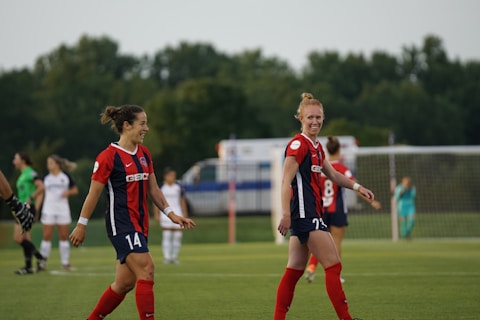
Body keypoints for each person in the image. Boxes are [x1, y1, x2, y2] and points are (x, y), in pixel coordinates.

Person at [69, 104, 196, 320]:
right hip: (121, 224)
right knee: (147, 268)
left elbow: (153, 189)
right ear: (127, 126)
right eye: (142, 123)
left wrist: (172, 214)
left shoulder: (144, 153)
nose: (146, 128)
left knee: (124, 284)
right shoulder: (107, 157)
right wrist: (81, 224)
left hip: (140, 224)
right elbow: (93, 194)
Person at [274, 93, 375, 320]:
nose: (315, 121)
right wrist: (285, 214)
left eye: (318, 117)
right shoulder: (298, 144)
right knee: (333, 265)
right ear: (300, 118)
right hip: (305, 215)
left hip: (307, 215)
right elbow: (285, 181)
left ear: (323, 118)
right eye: (310, 117)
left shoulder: (317, 147)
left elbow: (335, 175)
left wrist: (358, 187)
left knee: (294, 271)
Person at [305, 136, 381, 283]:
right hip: (337, 209)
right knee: (336, 242)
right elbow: (355, 186)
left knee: (319, 242)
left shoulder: (320, 168)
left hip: (321, 210)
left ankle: (312, 267)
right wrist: (371, 201)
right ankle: (336, 275)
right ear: (339, 150)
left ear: (327, 150)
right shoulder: (342, 169)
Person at [36, 155, 79, 271]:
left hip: (63, 210)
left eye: (50, 163)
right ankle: (42, 262)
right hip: (48, 210)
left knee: (64, 237)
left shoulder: (65, 177)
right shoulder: (45, 177)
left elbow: (75, 190)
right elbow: (39, 190)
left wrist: (68, 193)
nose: (48, 165)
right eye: (48, 163)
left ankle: (65, 263)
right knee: (46, 236)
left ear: (57, 164)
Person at [12, 152, 47, 275]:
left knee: (18, 238)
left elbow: (41, 187)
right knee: (25, 238)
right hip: (21, 208)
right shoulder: (22, 175)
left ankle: (40, 257)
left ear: (22, 160)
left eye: (15, 158)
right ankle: (28, 267)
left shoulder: (30, 173)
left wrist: (31, 199)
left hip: (26, 208)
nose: (13, 161)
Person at [154, 167, 189, 264]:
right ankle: (167, 257)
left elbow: (182, 200)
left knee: (177, 235)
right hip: (165, 213)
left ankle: (174, 257)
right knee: (167, 235)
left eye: (174, 176)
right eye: (170, 175)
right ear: (165, 176)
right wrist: (156, 213)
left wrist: (184, 213)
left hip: (177, 212)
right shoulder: (161, 187)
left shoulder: (178, 187)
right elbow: (156, 201)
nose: (172, 177)